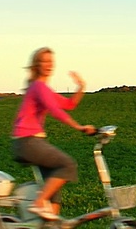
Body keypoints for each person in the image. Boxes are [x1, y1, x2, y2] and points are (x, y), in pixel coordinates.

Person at [11, 47, 95, 220]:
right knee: (67, 165)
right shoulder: (38, 87)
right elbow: (56, 111)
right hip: (27, 141)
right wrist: (79, 127)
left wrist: (81, 86)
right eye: (44, 61)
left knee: (54, 188)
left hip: (30, 142)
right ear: (36, 65)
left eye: (51, 61)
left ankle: (51, 223)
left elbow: (70, 104)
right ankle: (39, 202)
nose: (49, 65)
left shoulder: (43, 89)